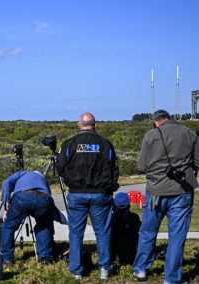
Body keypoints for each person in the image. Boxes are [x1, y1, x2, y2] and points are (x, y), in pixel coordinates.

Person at [133, 109, 199, 283]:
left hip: (156, 191)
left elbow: (141, 166)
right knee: (177, 236)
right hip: (182, 191)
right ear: (170, 119)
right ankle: (172, 278)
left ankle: (141, 269)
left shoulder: (151, 135)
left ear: (156, 121)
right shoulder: (189, 133)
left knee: (148, 232)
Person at [56, 112, 119, 280]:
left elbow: (60, 168)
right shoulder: (106, 144)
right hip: (101, 194)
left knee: (76, 233)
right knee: (103, 232)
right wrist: (111, 187)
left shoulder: (69, 144)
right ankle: (104, 268)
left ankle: (76, 270)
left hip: (77, 194)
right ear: (95, 125)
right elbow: (114, 169)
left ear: (79, 125)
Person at [0, 170, 67, 265]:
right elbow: (49, 200)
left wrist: (6, 206)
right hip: (43, 199)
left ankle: (6, 258)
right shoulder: (43, 179)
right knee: (44, 226)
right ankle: (45, 258)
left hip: (22, 197)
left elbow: (6, 183)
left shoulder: (22, 173)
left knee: (8, 227)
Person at [111, 192, 141, 265]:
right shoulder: (134, 217)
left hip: (115, 250)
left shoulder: (112, 219)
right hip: (131, 250)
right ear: (128, 204)